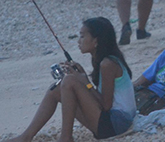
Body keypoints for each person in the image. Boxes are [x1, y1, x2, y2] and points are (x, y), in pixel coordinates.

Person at [8, 17, 136, 142]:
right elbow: (102, 100)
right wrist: (82, 78)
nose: (79, 41)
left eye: (82, 36)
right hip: (111, 121)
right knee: (56, 89)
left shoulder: (107, 64)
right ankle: (26, 137)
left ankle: (66, 138)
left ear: (96, 41)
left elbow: (106, 105)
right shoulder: (101, 60)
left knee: (69, 81)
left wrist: (84, 82)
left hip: (117, 124)